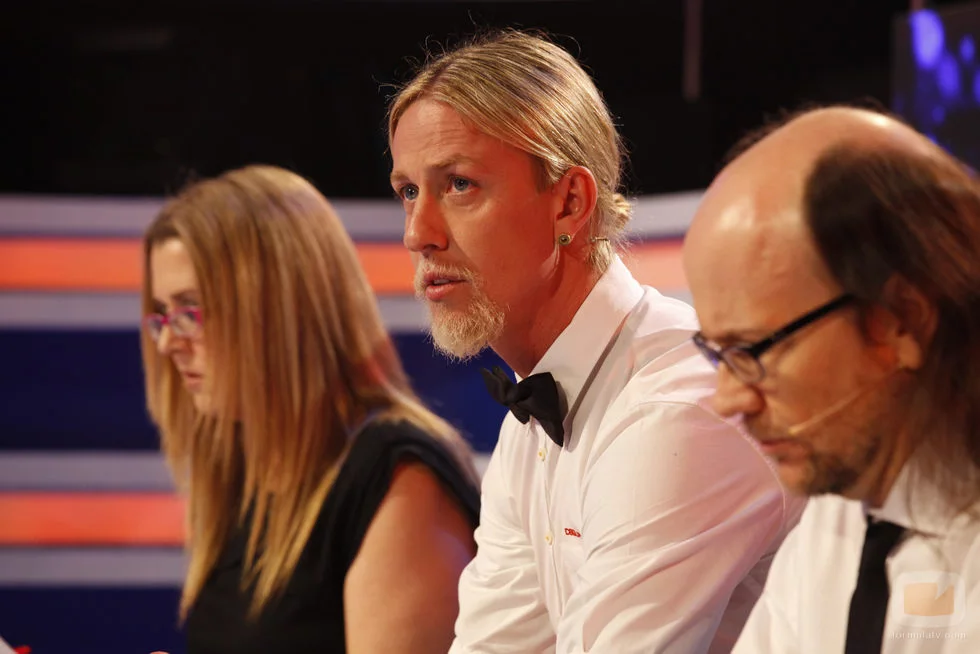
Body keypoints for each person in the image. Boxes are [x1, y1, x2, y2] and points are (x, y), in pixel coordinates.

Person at [387, 30, 804, 653]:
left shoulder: (675, 410)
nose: (417, 234)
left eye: (459, 185)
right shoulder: (531, 423)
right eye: (409, 192)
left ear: (570, 202)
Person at [140, 164, 481, 654]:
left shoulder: (398, 478)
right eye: (162, 315)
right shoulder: (246, 474)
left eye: (190, 309)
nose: (168, 342)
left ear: (277, 307)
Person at [683, 105, 980, 653]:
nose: (727, 399)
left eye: (753, 349)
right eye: (718, 353)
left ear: (903, 321)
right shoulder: (835, 517)